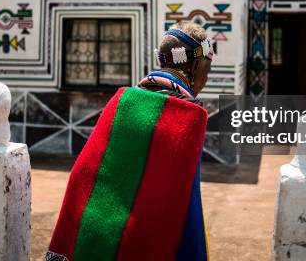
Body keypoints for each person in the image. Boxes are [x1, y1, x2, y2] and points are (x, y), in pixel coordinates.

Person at [46, 22, 212, 261]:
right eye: (208, 66)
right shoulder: (188, 117)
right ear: (196, 65)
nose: (207, 76)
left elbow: (85, 174)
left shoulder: (121, 101)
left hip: (93, 237)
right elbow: (186, 207)